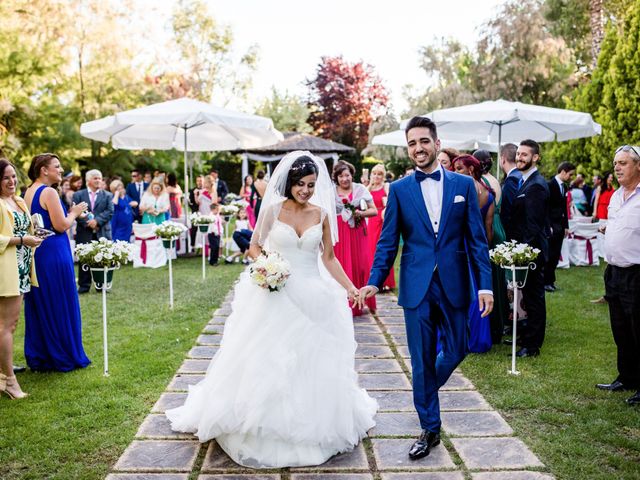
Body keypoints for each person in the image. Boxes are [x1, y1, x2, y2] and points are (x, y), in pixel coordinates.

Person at [166, 151, 377, 467]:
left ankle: (310, 423)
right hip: (274, 292)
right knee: (268, 360)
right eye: (300, 184)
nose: (305, 190)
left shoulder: (321, 214)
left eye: (310, 185)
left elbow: (329, 258)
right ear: (290, 182)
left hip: (313, 295)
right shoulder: (274, 209)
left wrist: (349, 287)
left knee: (311, 360)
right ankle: (260, 422)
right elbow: (254, 245)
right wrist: (267, 267)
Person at [360, 117, 493, 460]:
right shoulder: (400, 190)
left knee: (459, 347)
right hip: (416, 284)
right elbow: (388, 240)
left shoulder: (463, 186)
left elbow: (477, 241)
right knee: (420, 359)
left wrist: (486, 286)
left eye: (423, 141)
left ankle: (425, 387)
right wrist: (376, 279)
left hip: (455, 282)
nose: (418, 148)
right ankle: (429, 428)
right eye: (412, 143)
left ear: (436, 142)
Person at [23, 153, 91, 371]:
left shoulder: (28, 192)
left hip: (39, 252)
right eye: (57, 166)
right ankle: (63, 354)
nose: (61, 170)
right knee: (60, 301)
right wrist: (75, 212)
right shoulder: (49, 192)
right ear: (44, 169)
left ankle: (42, 354)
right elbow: (61, 225)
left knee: (43, 302)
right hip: (54, 252)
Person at [595, 145, 640, 406]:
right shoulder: (615, 196)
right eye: (615, 163)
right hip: (613, 272)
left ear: (637, 166)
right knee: (620, 328)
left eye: (623, 163)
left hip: (636, 273)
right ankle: (627, 377)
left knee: (637, 329)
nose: (617, 167)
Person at [0, 158, 42, 398]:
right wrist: (21, 240)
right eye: (6, 177)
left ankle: (3, 374)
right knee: (6, 326)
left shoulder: (17, 201)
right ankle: (10, 381)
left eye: (13, 176)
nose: (12, 181)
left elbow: (26, 230)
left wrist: (34, 235)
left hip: (23, 267)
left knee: (10, 325)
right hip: (6, 269)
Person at [508, 140, 550, 358]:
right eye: (518, 154)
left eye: (525, 154)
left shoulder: (536, 185)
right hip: (525, 249)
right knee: (528, 296)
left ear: (535, 158)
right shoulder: (524, 181)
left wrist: (523, 254)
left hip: (532, 251)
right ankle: (526, 339)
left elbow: (533, 226)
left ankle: (532, 345)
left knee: (534, 298)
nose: (520, 157)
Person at [451, 154, 494, 353]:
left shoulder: (464, 188)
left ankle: (463, 336)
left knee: (464, 288)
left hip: (462, 244)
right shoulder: (488, 192)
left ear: (470, 170)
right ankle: (477, 337)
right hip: (478, 246)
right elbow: (488, 228)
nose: (455, 172)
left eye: (459, 168)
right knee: (478, 288)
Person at [333, 160, 378, 316]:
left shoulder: (360, 189)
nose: (344, 179)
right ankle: (343, 303)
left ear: (352, 175)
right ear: (336, 178)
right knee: (343, 264)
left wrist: (360, 213)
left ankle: (360, 300)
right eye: (340, 176)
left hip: (357, 231)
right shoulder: (331, 191)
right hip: (340, 232)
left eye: (347, 175)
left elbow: (374, 211)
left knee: (361, 265)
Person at [73, 169, 114, 294]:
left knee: (102, 258)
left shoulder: (107, 195)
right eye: (95, 178)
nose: (98, 180)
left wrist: (97, 221)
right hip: (84, 231)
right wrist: (88, 223)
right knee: (84, 258)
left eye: (99, 178)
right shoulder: (79, 195)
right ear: (88, 180)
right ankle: (84, 286)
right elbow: (75, 211)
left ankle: (102, 284)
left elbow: (110, 211)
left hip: (102, 231)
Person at [545, 162, 575, 292]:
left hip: (560, 226)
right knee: (550, 255)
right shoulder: (550, 185)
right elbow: (545, 208)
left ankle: (551, 281)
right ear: (563, 171)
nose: (571, 177)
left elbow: (564, 208)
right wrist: (549, 226)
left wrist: (566, 226)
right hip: (552, 225)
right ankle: (546, 282)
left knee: (556, 254)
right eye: (570, 174)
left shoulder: (565, 187)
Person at [367, 164, 395, 290]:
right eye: (374, 173)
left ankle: (386, 282)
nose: (376, 176)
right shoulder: (368, 189)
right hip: (371, 221)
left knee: (383, 249)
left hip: (383, 219)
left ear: (383, 176)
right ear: (371, 175)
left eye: (379, 174)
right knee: (371, 250)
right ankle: (373, 281)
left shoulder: (386, 187)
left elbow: (391, 202)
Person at [499, 143, 522, 241]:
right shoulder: (521, 175)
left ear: (503, 159)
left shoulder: (511, 180)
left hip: (513, 234)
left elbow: (508, 211)